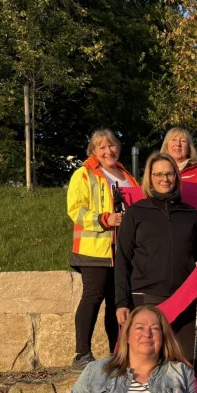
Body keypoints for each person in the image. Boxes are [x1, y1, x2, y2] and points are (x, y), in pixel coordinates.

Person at [0, 306, 197, 393]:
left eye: (155, 328)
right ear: (126, 336)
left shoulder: (181, 372)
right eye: (140, 327)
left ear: (164, 336)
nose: (148, 333)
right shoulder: (97, 370)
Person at [114, 152, 197, 362]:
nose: (164, 179)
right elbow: (122, 259)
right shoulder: (136, 213)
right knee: (147, 363)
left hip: (185, 297)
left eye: (169, 174)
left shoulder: (190, 213)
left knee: (188, 363)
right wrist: (121, 302)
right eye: (158, 174)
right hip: (146, 299)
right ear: (150, 178)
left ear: (176, 177)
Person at [66, 129, 139, 371]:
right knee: (93, 296)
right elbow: (76, 210)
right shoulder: (84, 174)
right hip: (95, 247)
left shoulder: (127, 175)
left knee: (117, 300)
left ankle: (116, 351)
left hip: (123, 247)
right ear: (94, 151)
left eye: (112, 146)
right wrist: (105, 219)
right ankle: (81, 354)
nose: (109, 151)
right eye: (102, 147)